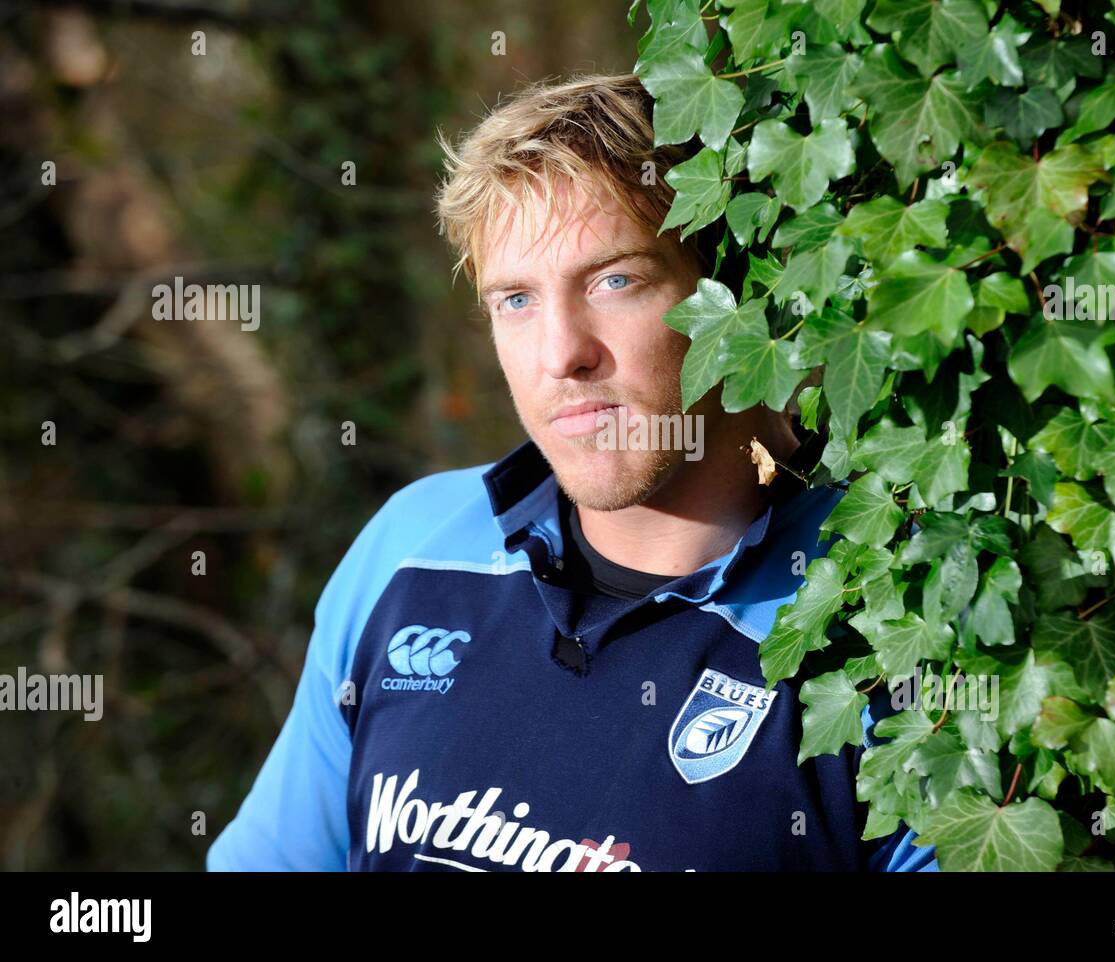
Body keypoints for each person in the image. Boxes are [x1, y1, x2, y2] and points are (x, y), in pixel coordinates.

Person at [206, 73, 937, 872]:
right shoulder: (411, 546)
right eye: (515, 300)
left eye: (615, 280)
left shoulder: (893, 623)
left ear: (741, 297)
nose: (562, 355)